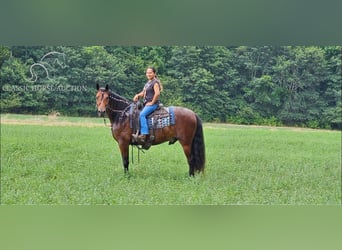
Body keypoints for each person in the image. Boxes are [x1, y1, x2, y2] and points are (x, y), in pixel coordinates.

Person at [133, 67, 162, 143]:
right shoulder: (148, 83)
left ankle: (144, 134)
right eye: (147, 73)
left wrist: (152, 102)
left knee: (142, 114)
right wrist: (138, 95)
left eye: (150, 73)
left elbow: (157, 93)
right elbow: (143, 93)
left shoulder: (155, 82)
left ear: (154, 73)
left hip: (154, 104)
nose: (148, 74)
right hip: (146, 104)